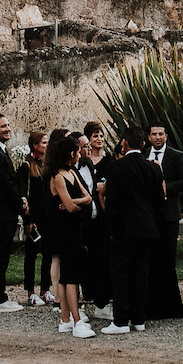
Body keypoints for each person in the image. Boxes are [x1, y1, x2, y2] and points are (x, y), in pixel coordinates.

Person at [101, 124, 163, 334]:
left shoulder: (116, 167)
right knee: (140, 273)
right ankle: (138, 319)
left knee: (120, 273)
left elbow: (112, 202)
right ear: (143, 143)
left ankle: (120, 321)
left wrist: (110, 228)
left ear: (125, 143)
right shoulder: (153, 168)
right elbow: (158, 202)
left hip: (123, 229)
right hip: (147, 228)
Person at [48, 132, 96, 337]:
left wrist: (74, 202)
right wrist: (76, 203)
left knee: (69, 275)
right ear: (71, 153)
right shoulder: (57, 176)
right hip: (64, 231)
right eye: (78, 150)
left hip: (74, 229)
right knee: (70, 277)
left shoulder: (72, 173)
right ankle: (75, 320)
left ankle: (66, 319)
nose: (81, 153)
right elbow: (70, 206)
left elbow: (88, 198)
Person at [142, 124, 183, 320]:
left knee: (168, 258)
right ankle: (150, 304)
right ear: (149, 136)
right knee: (150, 258)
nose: (158, 137)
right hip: (149, 215)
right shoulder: (143, 155)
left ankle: (170, 305)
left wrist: (164, 189)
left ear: (166, 136)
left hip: (169, 214)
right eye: (154, 134)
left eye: (161, 134)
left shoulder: (176, 156)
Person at [0, 114, 26, 312]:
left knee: (3, 255)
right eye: (3, 126)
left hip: (5, 211)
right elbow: (4, 184)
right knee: (0, 255)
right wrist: (20, 203)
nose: (7, 129)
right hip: (2, 212)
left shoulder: (0, 151)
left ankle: (0, 296)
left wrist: (21, 198)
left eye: (8, 125)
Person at [81, 122, 114, 317]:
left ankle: (104, 298)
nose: (99, 139)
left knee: (103, 257)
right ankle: (91, 295)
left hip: (103, 214)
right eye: (95, 136)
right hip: (87, 215)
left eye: (101, 135)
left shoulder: (108, 162)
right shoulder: (84, 163)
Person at [19, 130, 54, 307]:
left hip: (47, 215)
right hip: (34, 216)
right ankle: (31, 291)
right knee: (31, 254)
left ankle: (45, 289)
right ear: (35, 146)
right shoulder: (26, 166)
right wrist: (28, 219)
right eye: (44, 143)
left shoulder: (48, 166)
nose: (47, 146)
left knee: (48, 252)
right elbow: (24, 194)